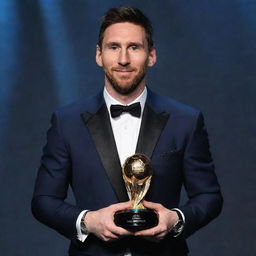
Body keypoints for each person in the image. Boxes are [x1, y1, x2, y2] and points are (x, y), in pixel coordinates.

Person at [32, 6, 223, 256]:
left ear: (151, 56)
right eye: (113, 47)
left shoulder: (186, 120)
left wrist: (175, 219)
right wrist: (89, 221)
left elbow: (209, 196)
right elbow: (43, 201)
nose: (123, 59)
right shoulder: (66, 121)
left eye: (134, 47)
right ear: (99, 55)